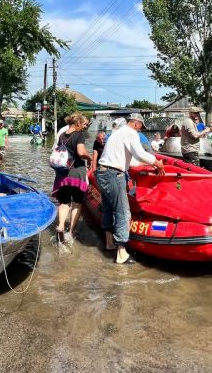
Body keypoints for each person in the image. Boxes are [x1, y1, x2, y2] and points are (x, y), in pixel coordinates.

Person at [97, 112, 165, 265]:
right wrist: (157, 162)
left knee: (109, 207)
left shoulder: (117, 133)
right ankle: (121, 253)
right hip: (114, 174)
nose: (140, 130)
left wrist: (145, 162)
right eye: (140, 126)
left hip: (102, 172)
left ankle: (109, 243)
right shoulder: (131, 133)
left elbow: (131, 161)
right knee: (123, 212)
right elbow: (140, 154)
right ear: (136, 123)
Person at [52, 113, 91, 244]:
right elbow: (81, 152)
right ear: (78, 123)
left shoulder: (62, 136)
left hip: (62, 174)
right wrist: (90, 157)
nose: (84, 128)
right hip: (76, 173)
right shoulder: (79, 135)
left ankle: (61, 226)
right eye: (83, 124)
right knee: (77, 203)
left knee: (64, 203)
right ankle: (70, 232)